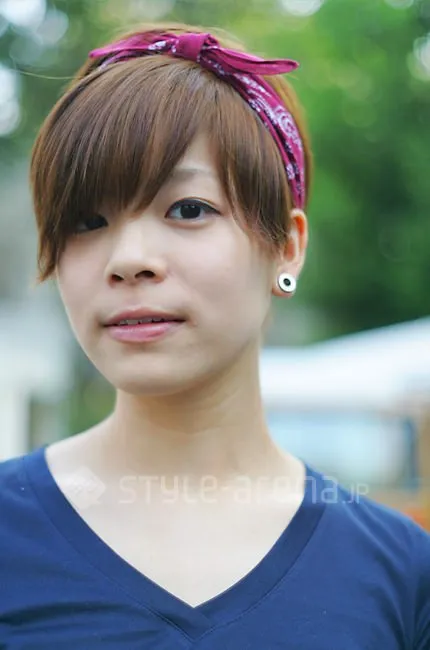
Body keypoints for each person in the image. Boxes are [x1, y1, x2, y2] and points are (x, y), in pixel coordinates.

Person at [0, 21, 428, 650]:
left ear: (287, 245)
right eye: (87, 220)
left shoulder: (401, 574)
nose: (129, 259)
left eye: (188, 209)